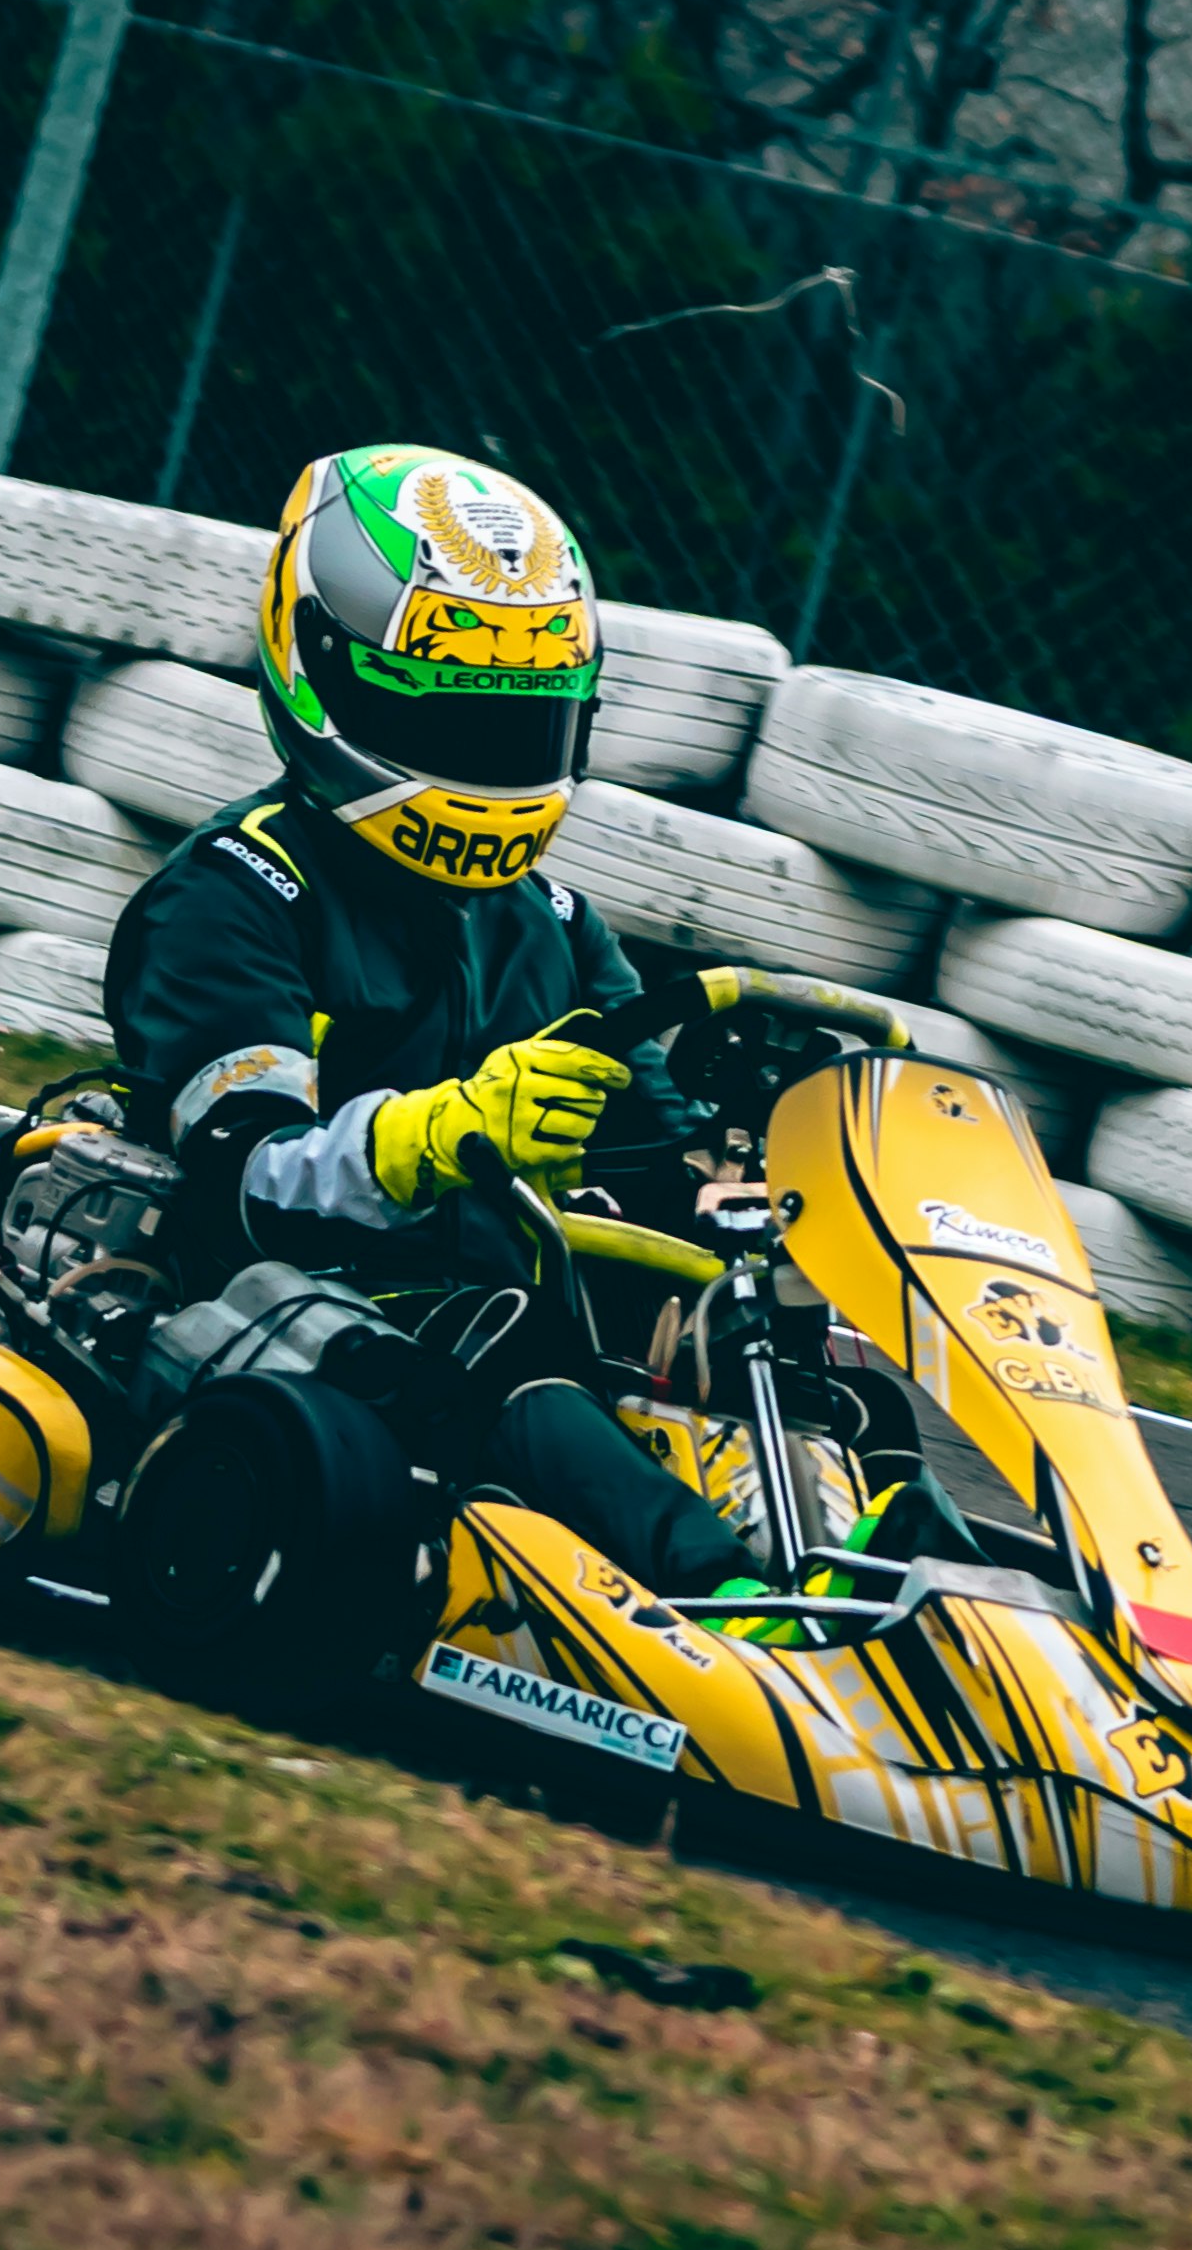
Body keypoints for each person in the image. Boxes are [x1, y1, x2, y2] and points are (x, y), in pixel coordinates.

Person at [99, 442, 767, 1603]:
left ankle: (946, 1595)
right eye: (453, 726)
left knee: (799, 1379)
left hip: (508, 1307)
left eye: (522, 736)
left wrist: (749, 1199)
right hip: (276, 1314)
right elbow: (236, 1179)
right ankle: (728, 1607)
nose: (494, 773)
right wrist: (432, 1136)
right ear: (322, 671)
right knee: (501, 1366)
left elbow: (663, 1163)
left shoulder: (552, 923)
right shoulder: (234, 893)